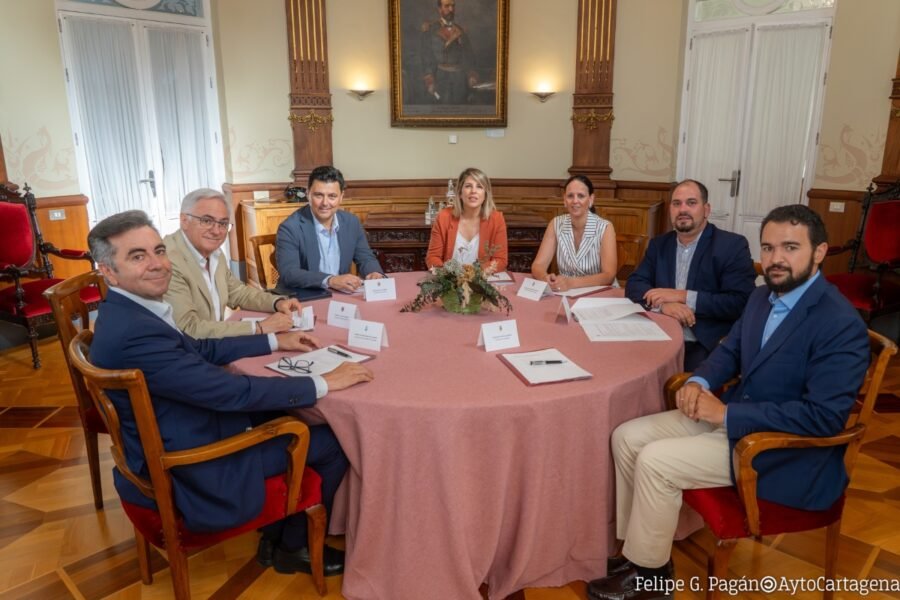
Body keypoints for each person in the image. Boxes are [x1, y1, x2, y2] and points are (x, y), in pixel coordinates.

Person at [587, 204, 870, 600]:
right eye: (768, 248)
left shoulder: (840, 323)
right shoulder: (760, 298)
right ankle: (640, 555)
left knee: (655, 460)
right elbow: (730, 350)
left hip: (780, 452)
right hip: (736, 420)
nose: (775, 259)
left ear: (820, 252)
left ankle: (650, 579)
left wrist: (727, 413)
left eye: (790, 247)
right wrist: (700, 379)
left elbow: (824, 418)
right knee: (627, 436)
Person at [87, 210, 375, 577]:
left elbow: (199, 350)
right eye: (138, 256)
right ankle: (293, 548)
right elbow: (230, 393)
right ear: (108, 271)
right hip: (192, 461)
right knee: (332, 441)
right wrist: (323, 383)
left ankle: (273, 533)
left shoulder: (128, 311)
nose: (158, 264)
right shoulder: (136, 332)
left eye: (159, 250)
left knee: (290, 416)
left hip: (176, 425)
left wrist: (274, 340)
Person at [625, 179, 757, 371]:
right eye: (676, 203)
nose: (683, 209)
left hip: (703, 342)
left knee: (674, 388)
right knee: (626, 368)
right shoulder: (659, 245)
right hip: (659, 334)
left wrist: (682, 296)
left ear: (706, 209)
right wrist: (664, 305)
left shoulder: (731, 246)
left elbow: (739, 302)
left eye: (691, 203)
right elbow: (635, 284)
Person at [163, 188, 302, 338]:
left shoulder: (214, 251)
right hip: (183, 353)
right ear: (184, 221)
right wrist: (258, 327)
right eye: (207, 221)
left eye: (223, 223)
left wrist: (277, 302)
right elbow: (188, 328)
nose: (216, 231)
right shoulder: (166, 261)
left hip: (213, 344)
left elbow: (237, 293)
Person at [275, 166, 385, 295]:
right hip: (303, 297)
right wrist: (330, 280)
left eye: (332, 196)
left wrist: (374, 273)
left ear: (341, 197)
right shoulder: (290, 228)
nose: (325, 203)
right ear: (308, 194)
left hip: (341, 295)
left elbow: (365, 258)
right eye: (318, 195)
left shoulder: (351, 222)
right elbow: (289, 273)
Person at [531, 174, 618, 290]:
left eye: (581, 196)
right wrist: (545, 277)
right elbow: (538, 265)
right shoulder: (555, 224)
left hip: (598, 294)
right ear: (564, 200)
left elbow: (609, 276)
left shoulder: (605, 227)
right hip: (564, 292)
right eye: (570, 196)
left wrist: (571, 283)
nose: (575, 201)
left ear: (591, 199)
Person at [426, 167, 508, 272]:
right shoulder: (443, 217)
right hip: (450, 282)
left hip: (483, 282)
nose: (473, 191)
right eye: (468, 186)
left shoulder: (497, 219)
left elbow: (500, 260)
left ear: (485, 194)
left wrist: (473, 275)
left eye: (479, 187)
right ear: (460, 192)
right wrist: (449, 276)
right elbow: (432, 257)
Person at [419, 0, 478, 105]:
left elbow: (468, 55)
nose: (451, 9)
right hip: (440, 77)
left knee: (461, 111)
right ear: (439, 9)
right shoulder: (430, 30)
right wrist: (430, 80)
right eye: (447, 6)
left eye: (453, 6)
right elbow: (426, 57)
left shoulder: (460, 30)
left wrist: (471, 75)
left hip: (460, 79)